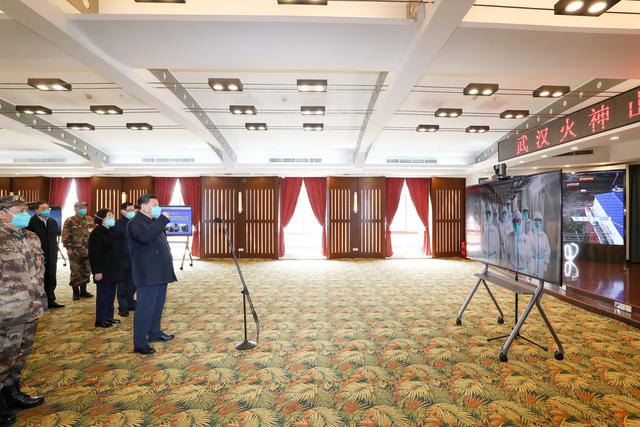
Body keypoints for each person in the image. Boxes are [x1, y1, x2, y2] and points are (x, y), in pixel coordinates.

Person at [0, 195, 46, 424]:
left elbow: (40, 271)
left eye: (26, 210)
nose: (25, 214)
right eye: (19, 210)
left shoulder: (31, 237)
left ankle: (12, 393)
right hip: (7, 312)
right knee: (3, 358)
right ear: (3, 214)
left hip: (32, 308)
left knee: (20, 356)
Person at [127, 194, 177, 355]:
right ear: (143, 206)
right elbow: (145, 237)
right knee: (145, 308)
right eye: (154, 204)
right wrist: (162, 220)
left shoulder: (153, 221)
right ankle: (140, 343)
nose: (158, 207)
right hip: (147, 273)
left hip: (160, 271)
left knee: (158, 305)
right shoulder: (135, 222)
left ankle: (155, 332)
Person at [88, 209, 125, 329]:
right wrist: (97, 271)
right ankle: (100, 319)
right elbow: (94, 254)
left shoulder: (113, 231)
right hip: (103, 270)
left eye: (112, 216)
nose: (112, 218)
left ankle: (109, 317)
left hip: (113, 269)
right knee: (103, 296)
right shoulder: (96, 233)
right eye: (109, 216)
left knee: (110, 295)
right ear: (101, 219)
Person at [26, 201, 64, 309]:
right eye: (43, 208)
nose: (46, 210)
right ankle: (39, 302)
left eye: (48, 208)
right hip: (36, 256)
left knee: (51, 277)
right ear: (36, 210)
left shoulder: (53, 222)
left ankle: (50, 300)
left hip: (51, 255)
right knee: (38, 279)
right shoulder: (30, 223)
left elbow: (54, 239)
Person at [62, 201, 95, 300]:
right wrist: (68, 248)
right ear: (75, 208)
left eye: (85, 207)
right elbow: (65, 235)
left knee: (86, 270)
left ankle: (83, 291)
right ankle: (75, 292)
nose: (83, 209)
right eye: (81, 207)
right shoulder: (70, 220)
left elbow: (93, 234)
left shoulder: (90, 219)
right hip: (75, 250)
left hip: (88, 250)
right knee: (75, 271)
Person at [113, 202, 138, 317]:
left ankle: (130, 302)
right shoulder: (117, 224)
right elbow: (115, 244)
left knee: (133, 283)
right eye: (129, 210)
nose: (132, 212)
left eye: (133, 210)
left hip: (134, 258)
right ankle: (122, 307)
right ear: (123, 211)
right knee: (122, 285)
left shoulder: (136, 222)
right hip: (122, 259)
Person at [505, 210, 532, 274]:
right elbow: (506, 253)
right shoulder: (509, 237)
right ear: (512, 222)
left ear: (521, 222)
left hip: (524, 271)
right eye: (514, 221)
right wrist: (508, 267)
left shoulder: (526, 238)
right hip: (512, 269)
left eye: (518, 221)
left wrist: (529, 271)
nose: (516, 223)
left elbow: (529, 257)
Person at [529, 211, 551, 278]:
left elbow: (547, 251)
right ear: (533, 221)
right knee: (531, 280)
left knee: (539, 280)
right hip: (532, 262)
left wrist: (545, 266)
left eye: (539, 220)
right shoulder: (530, 234)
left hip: (541, 264)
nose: (538, 222)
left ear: (541, 222)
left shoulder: (544, 236)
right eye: (536, 220)